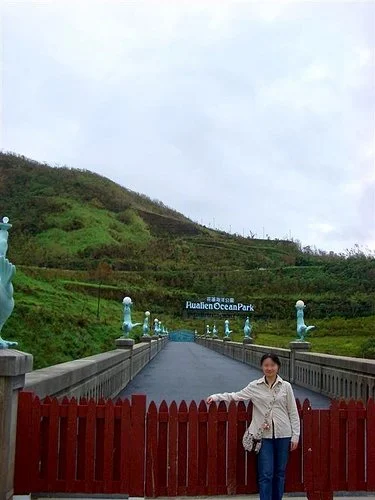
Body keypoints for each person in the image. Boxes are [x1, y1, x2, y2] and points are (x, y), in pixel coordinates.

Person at [206, 353, 300, 500]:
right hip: (263, 436)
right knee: (266, 473)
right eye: (266, 365)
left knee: (280, 473)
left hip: (284, 434)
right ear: (262, 367)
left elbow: (292, 412)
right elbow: (236, 396)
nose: (269, 368)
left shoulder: (286, 387)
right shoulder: (255, 386)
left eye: (272, 365)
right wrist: (217, 397)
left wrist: (295, 435)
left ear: (278, 367)